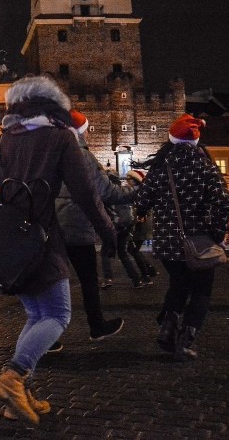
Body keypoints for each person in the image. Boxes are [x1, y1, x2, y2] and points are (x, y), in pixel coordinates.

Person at [0, 76, 116, 425]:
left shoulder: (3, 140)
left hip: (10, 243)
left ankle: (17, 398)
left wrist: (1, 220)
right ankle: (14, 375)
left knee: (37, 316)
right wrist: (109, 233)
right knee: (58, 315)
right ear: (53, 106)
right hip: (42, 237)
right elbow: (85, 193)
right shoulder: (59, 137)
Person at [135, 114, 229, 362]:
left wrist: (145, 211)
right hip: (198, 240)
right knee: (201, 291)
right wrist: (218, 231)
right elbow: (223, 202)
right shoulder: (206, 166)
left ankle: (167, 330)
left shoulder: (160, 167)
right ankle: (186, 341)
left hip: (168, 242)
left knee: (178, 284)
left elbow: (142, 199)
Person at [53, 110, 129, 349]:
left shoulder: (49, 151)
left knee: (51, 280)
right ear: (81, 131)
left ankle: (48, 336)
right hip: (77, 224)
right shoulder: (82, 155)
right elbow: (106, 191)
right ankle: (96, 325)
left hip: (52, 226)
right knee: (88, 279)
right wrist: (136, 187)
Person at [101, 172, 146, 288]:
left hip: (113, 225)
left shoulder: (108, 194)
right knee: (122, 253)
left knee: (105, 252)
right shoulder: (124, 191)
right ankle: (136, 280)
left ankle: (108, 279)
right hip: (127, 225)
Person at [123, 169, 158, 284]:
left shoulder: (139, 192)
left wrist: (137, 217)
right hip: (142, 225)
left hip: (142, 225)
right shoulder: (139, 191)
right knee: (135, 249)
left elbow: (143, 208)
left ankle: (146, 275)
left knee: (133, 249)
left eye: (129, 179)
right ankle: (150, 270)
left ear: (135, 180)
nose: (127, 181)